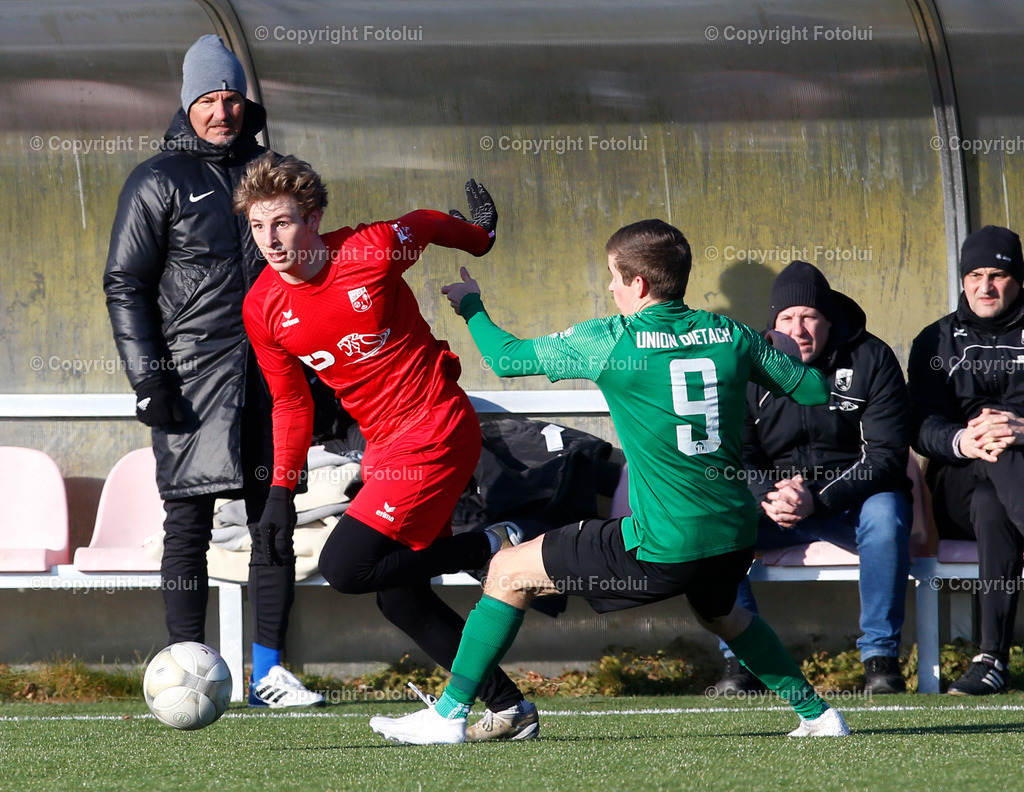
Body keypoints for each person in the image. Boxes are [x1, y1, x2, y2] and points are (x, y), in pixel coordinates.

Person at [369, 219, 852, 744]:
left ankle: (449, 716)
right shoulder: (732, 335)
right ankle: (821, 716)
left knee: (507, 570)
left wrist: (470, 304)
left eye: (614, 277)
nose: (610, 287)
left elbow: (505, 358)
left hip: (664, 541)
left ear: (639, 284)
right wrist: (772, 344)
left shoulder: (609, 339)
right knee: (721, 614)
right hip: (733, 534)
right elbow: (808, 391)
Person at [236, 153, 536, 740]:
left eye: (283, 222)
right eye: (256, 225)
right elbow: (292, 405)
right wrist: (279, 492)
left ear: (315, 217)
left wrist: (478, 238)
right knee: (400, 600)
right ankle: (509, 708)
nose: (270, 240)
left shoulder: (370, 252)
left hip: (437, 427)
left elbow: (423, 222)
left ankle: (494, 542)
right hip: (387, 448)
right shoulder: (263, 307)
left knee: (345, 567)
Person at [104, 35, 322, 708]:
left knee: (275, 520)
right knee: (188, 526)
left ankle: (270, 674)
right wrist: (149, 380)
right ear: (187, 104)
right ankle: (185, 668)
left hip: (273, 381)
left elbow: (313, 270)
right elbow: (126, 284)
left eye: (231, 97)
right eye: (207, 100)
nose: (222, 111)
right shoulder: (157, 180)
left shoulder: (276, 174)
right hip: (188, 385)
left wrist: (323, 376)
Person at [712, 261, 912, 696]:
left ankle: (880, 658)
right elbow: (735, 453)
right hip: (777, 507)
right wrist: (768, 493)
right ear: (772, 324)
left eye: (810, 317)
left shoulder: (871, 358)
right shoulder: (747, 365)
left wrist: (817, 498)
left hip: (849, 500)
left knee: (887, 512)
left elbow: (887, 457)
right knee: (712, 518)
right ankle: (743, 663)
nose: (798, 329)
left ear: (829, 321)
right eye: (787, 318)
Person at [908, 225, 1024, 695]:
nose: (985, 287)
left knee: (994, 503)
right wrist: (966, 440)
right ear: (962, 280)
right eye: (974, 275)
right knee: (991, 442)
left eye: (997, 275)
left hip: (1003, 497)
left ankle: (991, 661)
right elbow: (918, 426)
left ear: (1018, 280)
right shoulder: (934, 341)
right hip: (952, 490)